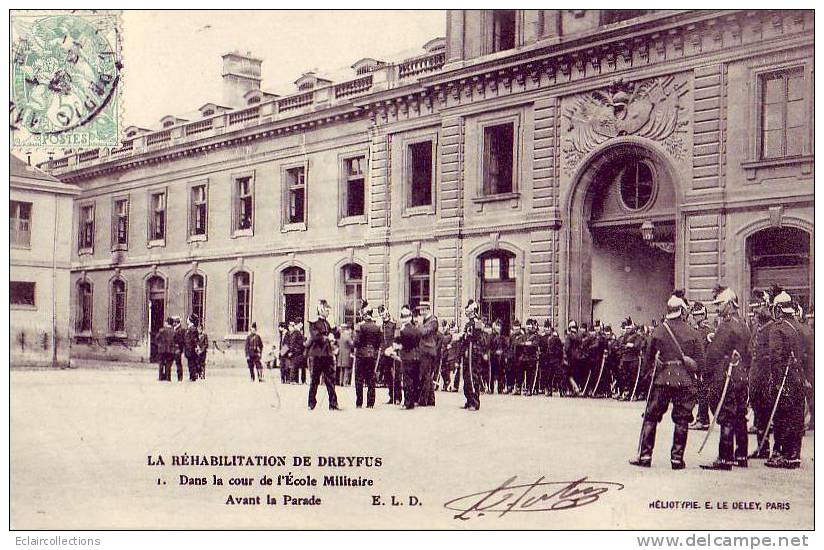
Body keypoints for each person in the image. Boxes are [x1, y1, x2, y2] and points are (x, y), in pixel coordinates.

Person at [629, 290, 704, 470]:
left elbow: (647, 359)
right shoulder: (692, 331)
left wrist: (648, 378)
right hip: (685, 379)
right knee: (682, 418)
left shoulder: (658, 331)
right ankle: (677, 459)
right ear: (683, 311)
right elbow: (700, 361)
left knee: (651, 416)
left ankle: (645, 456)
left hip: (662, 378)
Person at [700, 287, 751, 470]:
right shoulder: (743, 324)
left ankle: (725, 458)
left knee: (725, 414)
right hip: (741, 374)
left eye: (720, 304)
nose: (717, 308)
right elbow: (748, 352)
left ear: (730, 304)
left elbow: (713, 354)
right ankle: (742, 455)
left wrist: (706, 374)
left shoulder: (726, 325)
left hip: (726, 374)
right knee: (739, 414)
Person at [765, 291, 807, 469]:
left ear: (779, 309)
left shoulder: (778, 328)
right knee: (797, 416)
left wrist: (774, 381)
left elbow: (775, 357)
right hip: (801, 378)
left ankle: (783, 453)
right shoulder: (802, 327)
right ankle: (794, 455)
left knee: (782, 416)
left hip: (784, 378)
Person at [747, 290, 775, 459]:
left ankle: (777, 448)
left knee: (771, 412)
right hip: (756, 374)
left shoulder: (773, 327)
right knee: (758, 411)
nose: (755, 312)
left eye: (758, 307)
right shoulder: (757, 328)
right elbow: (751, 348)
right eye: (753, 308)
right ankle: (762, 448)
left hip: (768, 375)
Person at [306, 300, 340, 411]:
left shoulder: (327, 323)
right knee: (315, 380)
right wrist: (327, 337)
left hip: (327, 354)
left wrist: (334, 328)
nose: (328, 312)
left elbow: (336, 335)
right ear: (321, 309)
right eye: (326, 310)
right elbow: (315, 337)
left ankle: (333, 404)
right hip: (317, 354)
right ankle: (311, 403)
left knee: (330, 380)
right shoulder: (314, 323)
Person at [689, 302, 712, 430]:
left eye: (697, 315)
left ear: (703, 315)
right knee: (700, 393)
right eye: (694, 315)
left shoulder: (707, 330)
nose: (694, 318)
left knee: (703, 393)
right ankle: (700, 418)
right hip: (698, 366)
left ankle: (703, 420)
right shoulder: (697, 330)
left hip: (704, 367)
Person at [353, 308, 381, 408]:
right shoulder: (377, 327)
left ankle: (359, 403)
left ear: (364, 315)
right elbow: (378, 343)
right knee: (371, 379)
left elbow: (356, 342)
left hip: (361, 355)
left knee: (359, 380)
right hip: (371, 354)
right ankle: (370, 403)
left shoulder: (360, 327)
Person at [393, 305, 421, 409]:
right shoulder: (416, 329)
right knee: (414, 380)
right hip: (416, 356)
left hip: (406, 356)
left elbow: (400, 345)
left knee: (407, 380)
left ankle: (407, 403)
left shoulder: (403, 331)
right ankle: (413, 401)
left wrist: (394, 348)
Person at [460, 300, 484, 411]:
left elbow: (477, 337)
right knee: (466, 377)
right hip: (467, 352)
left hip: (473, 352)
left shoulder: (477, 322)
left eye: (469, 309)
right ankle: (469, 399)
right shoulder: (468, 323)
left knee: (473, 376)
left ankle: (475, 402)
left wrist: (467, 336)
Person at [416, 301, 438, 406]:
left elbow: (424, 332)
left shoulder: (433, 321)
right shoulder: (426, 320)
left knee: (426, 376)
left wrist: (419, 324)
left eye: (422, 310)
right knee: (427, 375)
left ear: (427, 310)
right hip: (424, 350)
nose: (420, 312)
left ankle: (423, 400)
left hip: (428, 351)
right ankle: (430, 400)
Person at [378, 306, 401, 404]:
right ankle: (391, 396)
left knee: (396, 375)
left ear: (387, 312)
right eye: (380, 315)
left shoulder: (394, 323)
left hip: (393, 352)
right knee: (387, 375)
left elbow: (397, 338)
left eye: (383, 314)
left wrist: (393, 348)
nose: (382, 316)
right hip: (384, 353)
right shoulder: (380, 325)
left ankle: (398, 397)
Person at [155, 317, 176, 382]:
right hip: (170, 350)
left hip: (162, 349)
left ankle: (161, 377)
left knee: (161, 363)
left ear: (167, 323)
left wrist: (159, 344)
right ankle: (168, 377)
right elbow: (175, 340)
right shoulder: (173, 331)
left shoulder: (162, 330)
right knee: (168, 363)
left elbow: (157, 338)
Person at [184, 314, 201, 381]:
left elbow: (195, 340)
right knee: (190, 363)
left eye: (188, 318)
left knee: (191, 363)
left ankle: (193, 376)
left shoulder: (193, 329)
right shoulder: (189, 328)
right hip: (189, 349)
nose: (187, 320)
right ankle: (192, 376)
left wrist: (196, 347)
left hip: (191, 349)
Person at [172, 316, 185, 382]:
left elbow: (181, 340)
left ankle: (180, 377)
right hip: (174, 349)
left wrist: (179, 348)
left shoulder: (180, 330)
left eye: (174, 322)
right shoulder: (175, 329)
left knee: (178, 364)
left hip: (178, 349)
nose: (173, 323)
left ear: (176, 322)